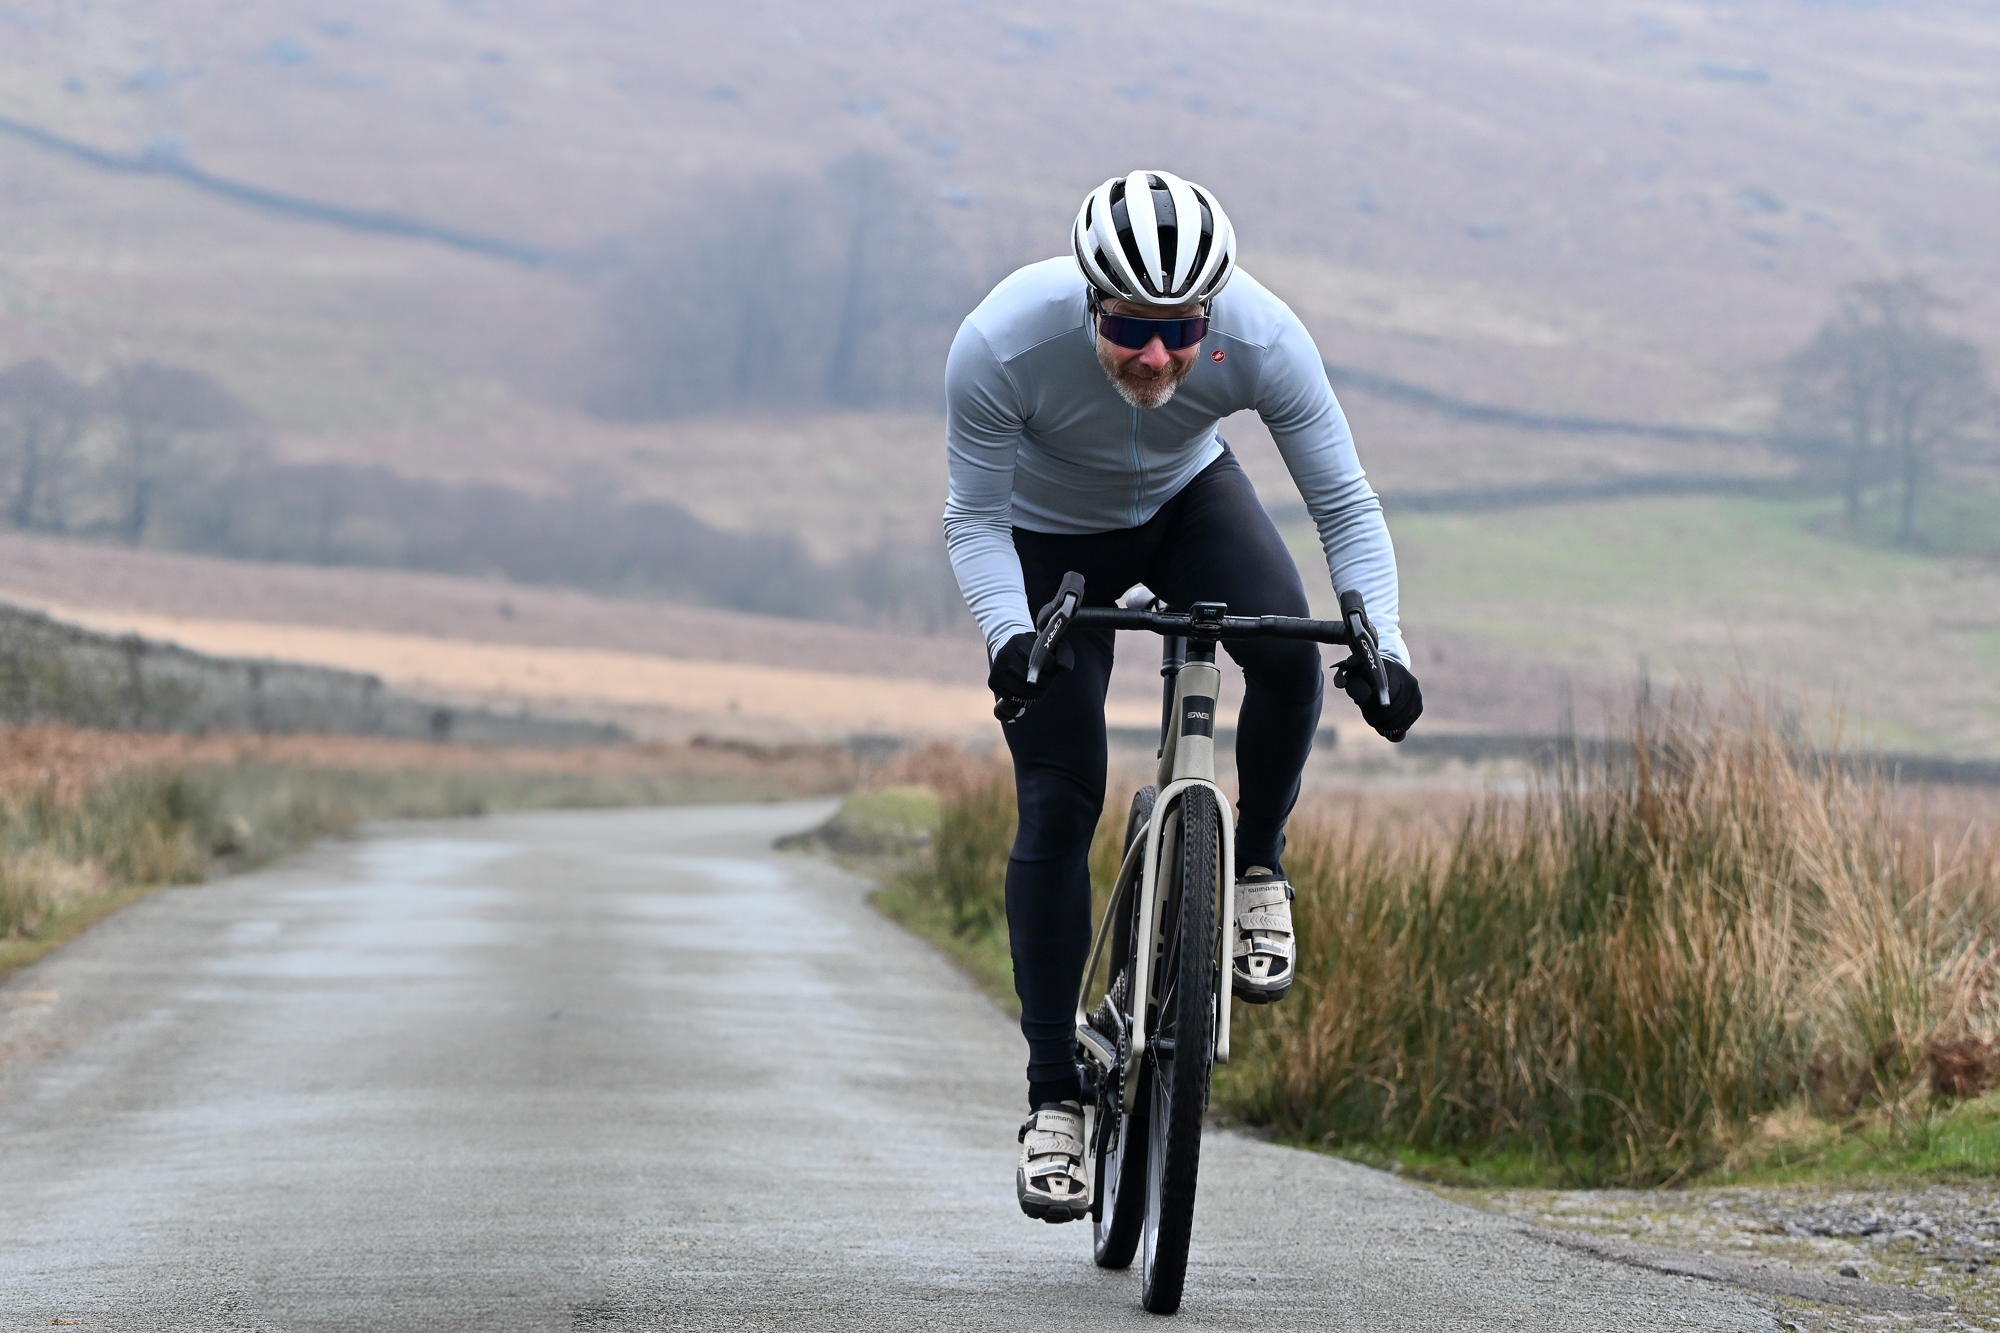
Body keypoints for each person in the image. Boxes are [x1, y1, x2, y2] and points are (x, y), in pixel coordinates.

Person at [942, 169, 1423, 1222]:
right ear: (1085, 299)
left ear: (1212, 311)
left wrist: (1382, 644)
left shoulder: (1262, 337)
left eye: (1179, 330)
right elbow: (971, 518)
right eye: (1126, 327)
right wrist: (1011, 638)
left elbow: (1342, 500)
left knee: (1292, 656)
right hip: (1041, 536)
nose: (1156, 356)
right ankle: (1053, 1098)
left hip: (1184, 503)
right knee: (1059, 798)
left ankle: (1255, 867)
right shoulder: (999, 344)